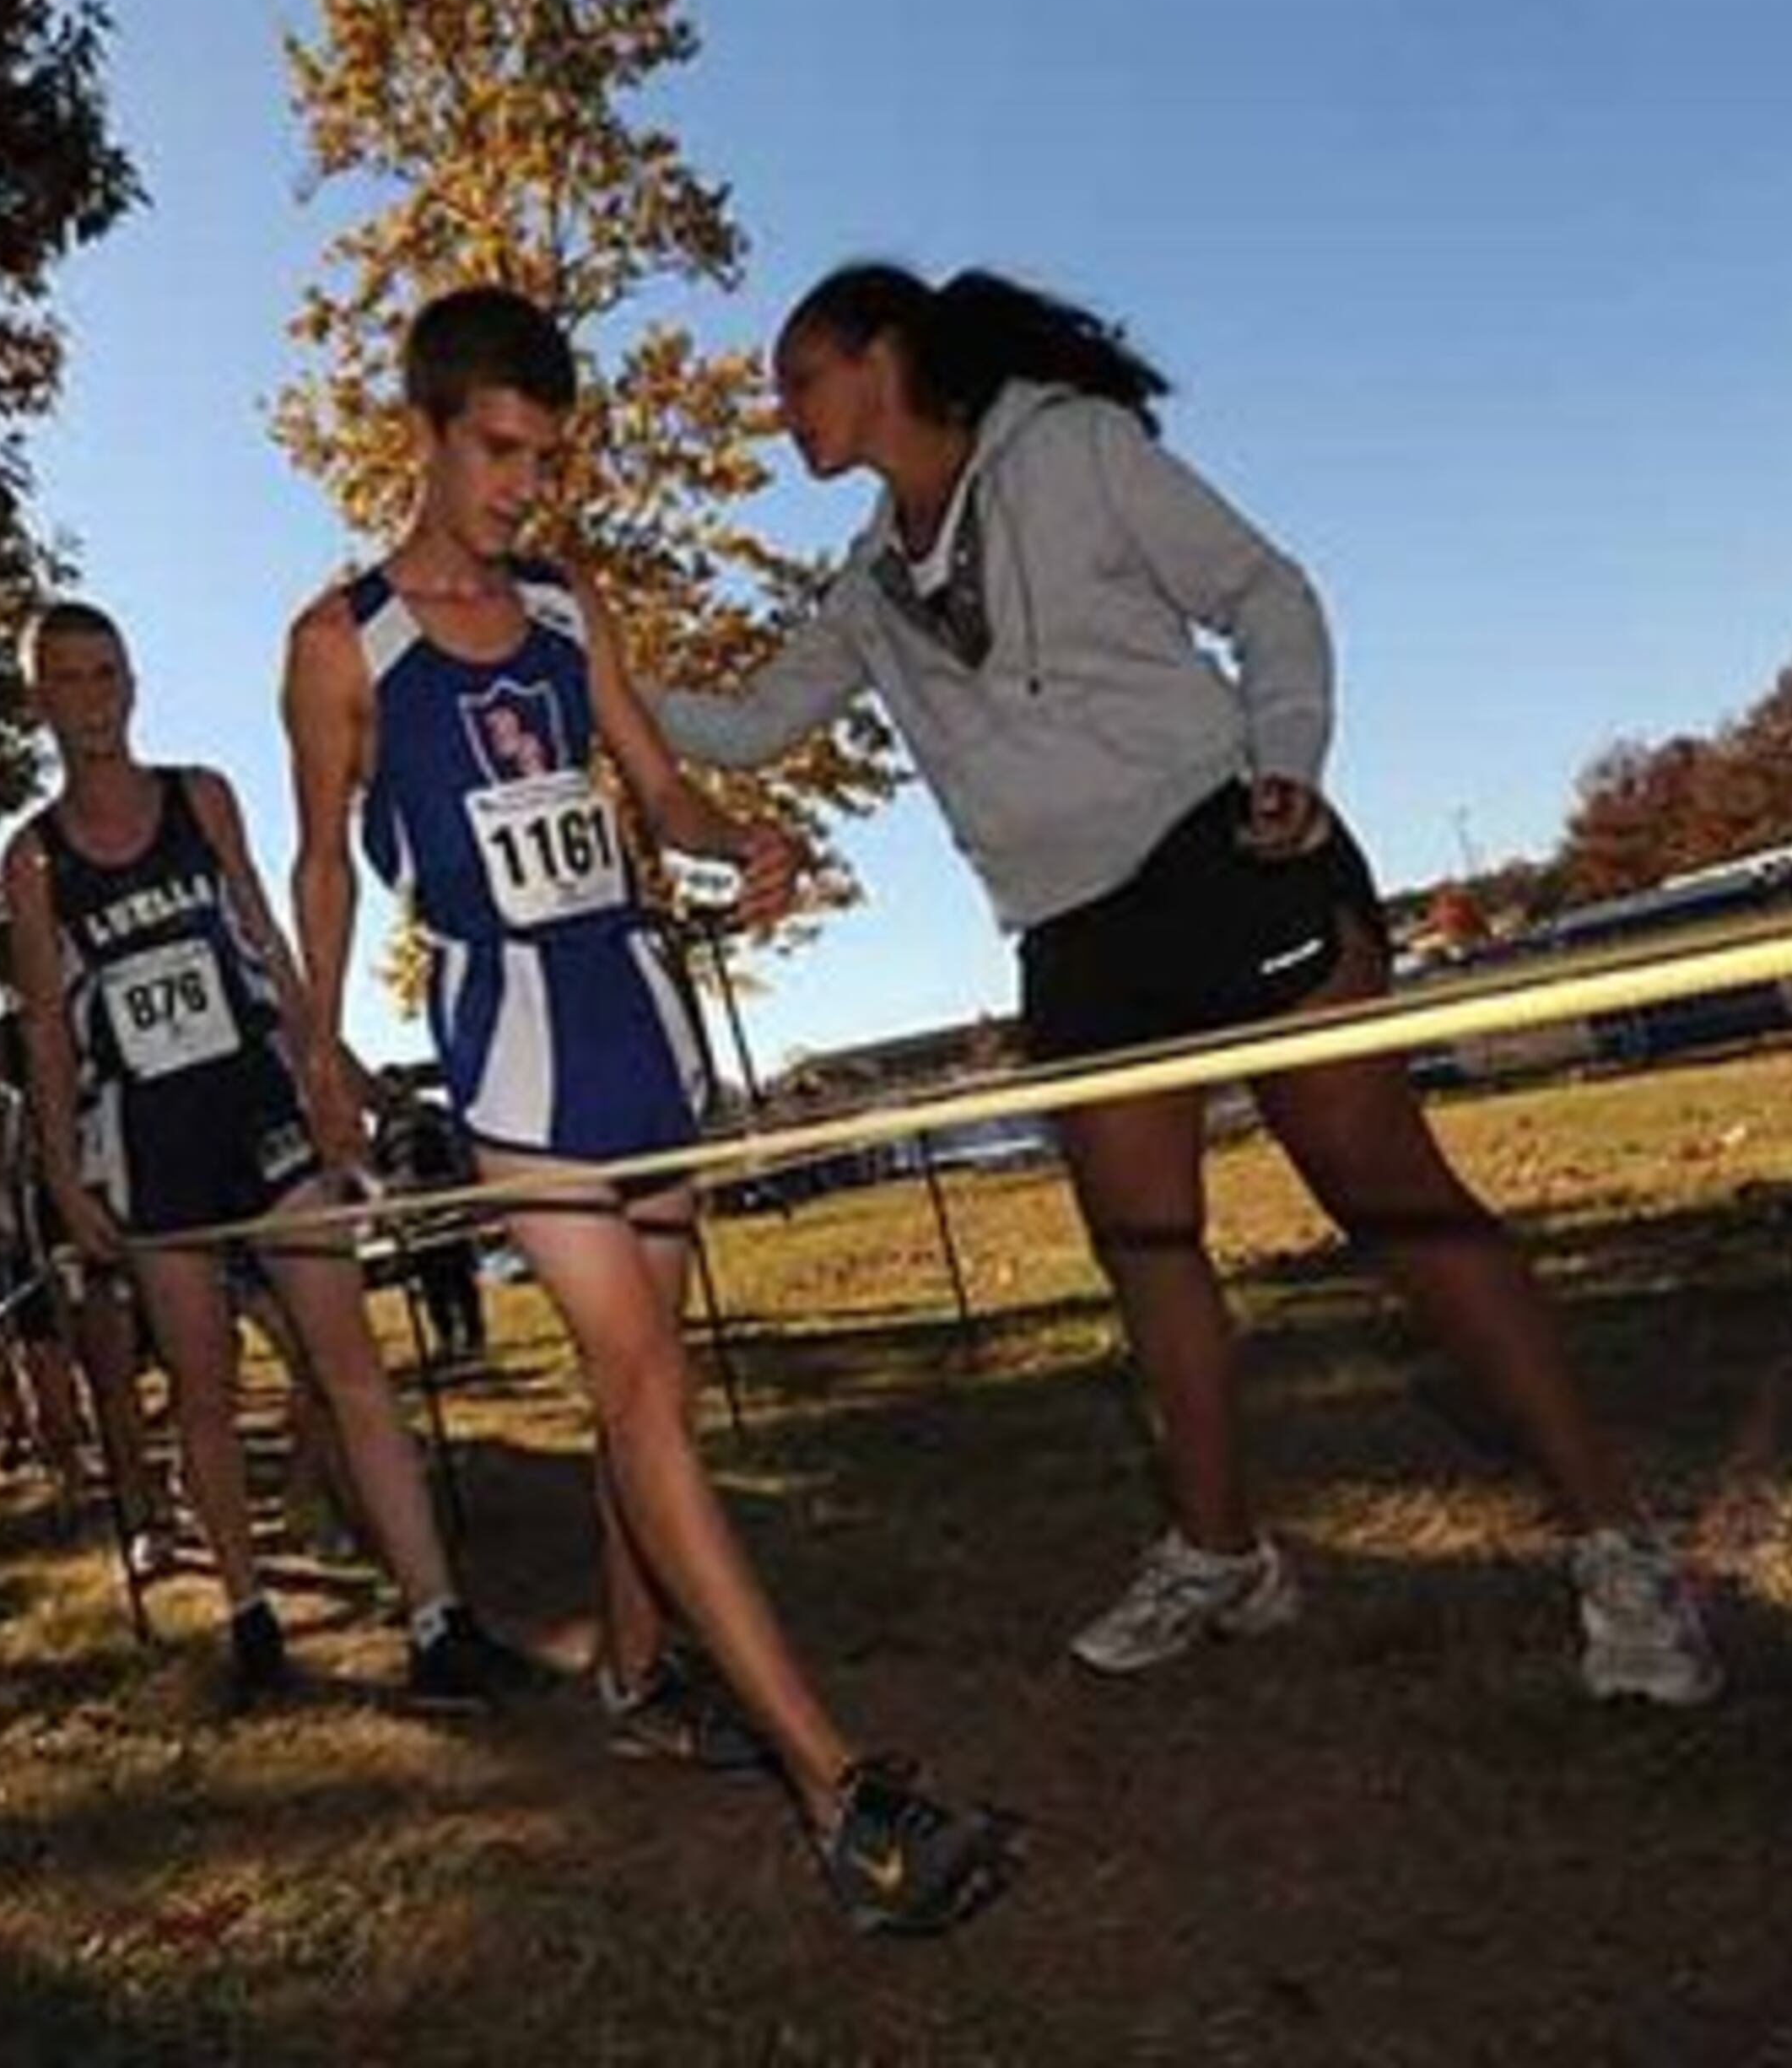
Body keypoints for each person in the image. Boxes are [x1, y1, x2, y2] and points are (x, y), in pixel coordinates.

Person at [653, 260, 1719, 1705]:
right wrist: (579, 655)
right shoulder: (863, 590)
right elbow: (739, 725)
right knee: (1144, 1245)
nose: (781, 414)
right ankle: (1222, 1551)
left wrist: (1287, 755)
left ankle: (1621, 1546)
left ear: (885, 353)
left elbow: (1264, 591)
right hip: (1077, 934)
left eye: (798, 378)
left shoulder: (1074, 451)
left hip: (1226, 852)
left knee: (1391, 1198)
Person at [283, 284, 1017, 1936]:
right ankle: (839, 1794)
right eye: (497, 453)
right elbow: (326, 855)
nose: (522, 488)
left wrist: (737, 837)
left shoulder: (566, 608)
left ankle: (632, 1663)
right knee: (645, 1388)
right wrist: (317, 1037)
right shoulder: (342, 642)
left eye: (544, 460)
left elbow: (658, 785)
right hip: (513, 1046)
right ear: (428, 431)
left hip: (637, 1018)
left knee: (653, 1388)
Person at [3, 600, 532, 1713]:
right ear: (39, 700)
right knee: (203, 1384)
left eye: (106, 673)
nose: (91, 696)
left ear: (133, 681)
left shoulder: (201, 797)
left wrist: (325, 1067)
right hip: (152, 1142)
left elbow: (264, 937)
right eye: (68, 679)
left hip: (260, 1110)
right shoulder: (34, 859)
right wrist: (62, 1171)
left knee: (348, 1362)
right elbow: (49, 1028)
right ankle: (248, 1612)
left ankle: (438, 1615)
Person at [0, 1012, 161, 1542]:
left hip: (95, 1215)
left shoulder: (90, 1010)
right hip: (22, 1245)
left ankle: (142, 1509)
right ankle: (71, 1479)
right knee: (47, 1383)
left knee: (112, 1378)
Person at [369, 1072, 487, 1365]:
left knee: (460, 1277)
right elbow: (381, 1168)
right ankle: (445, 1339)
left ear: (408, 1088)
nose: (390, 1097)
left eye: (394, 1090)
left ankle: (475, 1339)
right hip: (415, 1213)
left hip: (446, 1203)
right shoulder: (384, 1129)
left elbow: (460, 1152)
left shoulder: (434, 1115)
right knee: (430, 1280)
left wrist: (464, 1190)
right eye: (384, 1092)